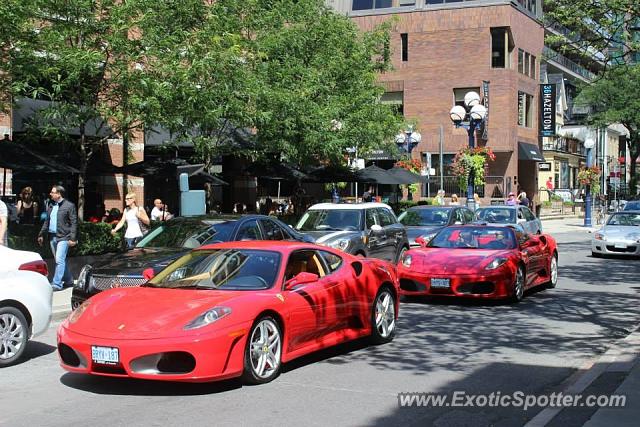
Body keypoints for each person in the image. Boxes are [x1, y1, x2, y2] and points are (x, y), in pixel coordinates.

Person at [37, 185, 78, 291]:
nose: (50, 194)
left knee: (59, 260)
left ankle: (57, 284)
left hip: (64, 237)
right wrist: (41, 234)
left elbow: (74, 223)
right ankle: (69, 281)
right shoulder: (51, 205)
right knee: (59, 260)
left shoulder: (69, 206)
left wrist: (73, 239)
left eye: (53, 192)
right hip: (52, 236)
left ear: (59, 194)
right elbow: (47, 221)